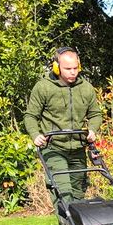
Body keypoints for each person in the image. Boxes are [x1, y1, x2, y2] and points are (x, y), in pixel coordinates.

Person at [24, 47, 102, 204]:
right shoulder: (44, 87)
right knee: (63, 192)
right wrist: (35, 134)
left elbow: (95, 114)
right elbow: (30, 116)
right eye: (68, 69)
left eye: (75, 68)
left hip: (78, 149)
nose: (73, 72)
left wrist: (92, 129)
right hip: (54, 148)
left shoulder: (86, 88)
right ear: (56, 67)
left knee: (78, 193)